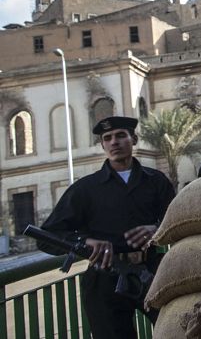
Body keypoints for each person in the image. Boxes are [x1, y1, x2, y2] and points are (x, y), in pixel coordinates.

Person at [39, 116, 175, 338]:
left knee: (178, 329)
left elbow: (178, 220)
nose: (114, 142)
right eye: (107, 138)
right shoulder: (85, 189)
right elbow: (47, 236)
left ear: (134, 139)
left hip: (151, 272)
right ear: (102, 145)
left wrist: (157, 229)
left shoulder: (156, 181)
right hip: (104, 280)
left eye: (121, 135)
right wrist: (85, 242)